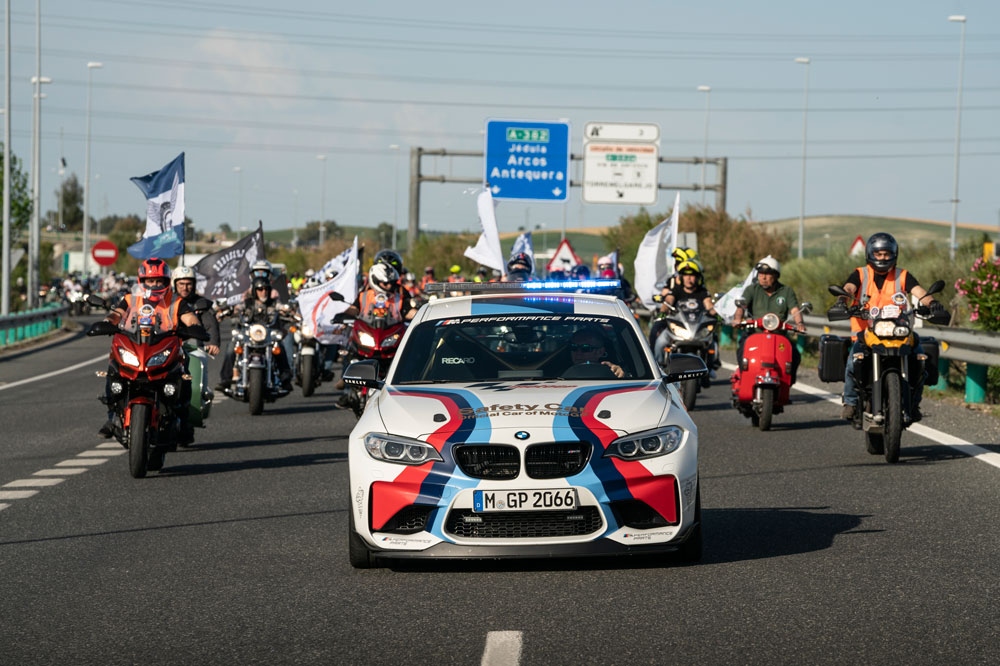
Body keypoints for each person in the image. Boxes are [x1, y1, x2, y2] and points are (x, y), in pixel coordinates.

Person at [831, 232, 949, 422]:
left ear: (894, 254)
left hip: (898, 331)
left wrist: (932, 303)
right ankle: (851, 403)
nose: (883, 258)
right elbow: (850, 288)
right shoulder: (860, 274)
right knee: (853, 361)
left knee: (920, 359)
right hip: (866, 332)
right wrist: (842, 301)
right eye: (879, 254)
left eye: (886, 254)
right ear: (870, 254)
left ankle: (914, 403)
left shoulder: (902, 275)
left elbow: (919, 292)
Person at [97, 258, 205, 437]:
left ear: (166, 281)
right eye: (150, 281)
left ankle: (183, 421)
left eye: (159, 281)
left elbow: (189, 318)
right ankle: (112, 419)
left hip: (166, 346)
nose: (155, 285)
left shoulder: (176, 301)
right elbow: (116, 314)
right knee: (114, 370)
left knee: (184, 377)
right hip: (136, 344)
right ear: (142, 281)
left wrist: (195, 328)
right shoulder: (130, 299)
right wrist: (107, 323)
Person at [732, 256, 806, 383]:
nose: (763, 278)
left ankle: (787, 383)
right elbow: (741, 307)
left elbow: (794, 310)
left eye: (767, 274)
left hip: (779, 336)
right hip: (755, 334)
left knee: (794, 354)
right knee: (742, 350)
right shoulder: (752, 290)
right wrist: (737, 319)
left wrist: (799, 323)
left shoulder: (786, 291)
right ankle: (744, 379)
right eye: (761, 274)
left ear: (776, 276)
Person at [217, 275, 293, 391]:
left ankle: (285, 379)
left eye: (266, 289)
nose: (263, 292)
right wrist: (227, 311)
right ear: (254, 290)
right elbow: (237, 308)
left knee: (280, 348)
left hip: (267, 336)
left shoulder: (273, 303)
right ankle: (226, 380)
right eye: (260, 289)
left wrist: (291, 312)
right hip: (248, 336)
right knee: (231, 349)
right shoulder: (247, 303)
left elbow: (283, 308)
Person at [650, 259, 720, 364]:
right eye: (686, 275)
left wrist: (717, 314)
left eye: (692, 275)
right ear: (681, 277)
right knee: (660, 342)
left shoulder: (702, 292)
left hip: (697, 328)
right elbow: (668, 301)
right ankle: (658, 366)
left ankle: (712, 363)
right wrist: (663, 311)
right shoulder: (676, 290)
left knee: (712, 339)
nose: (689, 278)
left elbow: (709, 305)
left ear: (697, 278)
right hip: (679, 327)